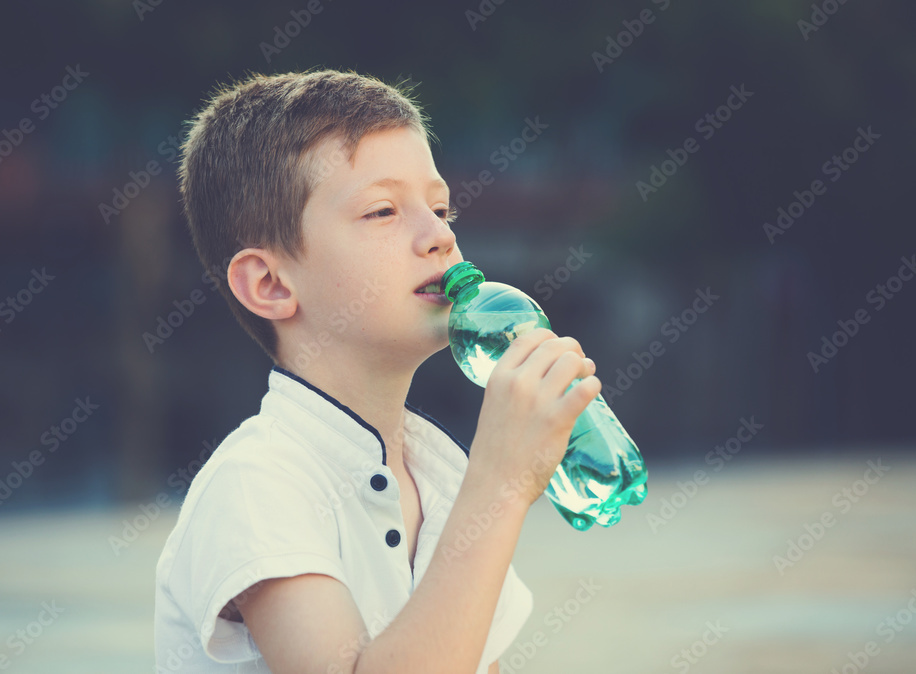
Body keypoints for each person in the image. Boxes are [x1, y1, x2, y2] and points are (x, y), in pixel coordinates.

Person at [154, 68, 601, 674]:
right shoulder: (256, 484)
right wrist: (499, 482)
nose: (439, 235)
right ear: (270, 284)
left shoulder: (440, 472)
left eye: (442, 208)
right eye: (384, 211)